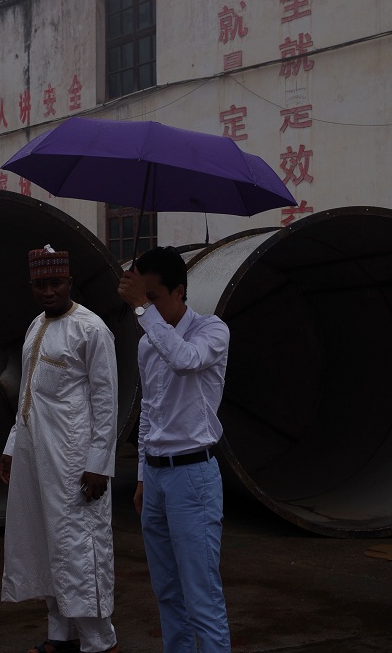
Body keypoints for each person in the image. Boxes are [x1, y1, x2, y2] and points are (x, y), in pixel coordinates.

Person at [0, 244, 120, 653]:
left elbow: (106, 401)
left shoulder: (91, 329)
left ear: (70, 282)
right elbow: (26, 395)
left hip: (74, 458)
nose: (48, 291)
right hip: (35, 453)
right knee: (43, 542)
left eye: (55, 283)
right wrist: (12, 446)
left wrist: (99, 463)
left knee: (78, 547)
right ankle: (61, 635)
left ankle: (99, 641)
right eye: (40, 284)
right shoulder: (35, 326)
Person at [117, 246, 231, 653]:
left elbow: (185, 360)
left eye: (153, 297)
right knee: (167, 591)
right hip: (157, 476)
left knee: (202, 595)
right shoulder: (148, 344)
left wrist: (140, 310)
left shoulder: (211, 331)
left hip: (193, 475)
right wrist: (143, 477)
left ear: (179, 291)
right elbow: (149, 412)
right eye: (142, 298)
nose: (147, 306)